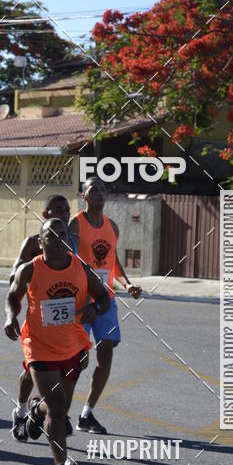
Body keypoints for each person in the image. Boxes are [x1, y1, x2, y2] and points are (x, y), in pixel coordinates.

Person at [4, 217, 110, 465]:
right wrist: (9, 318)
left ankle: (35, 412)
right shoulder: (29, 270)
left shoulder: (80, 268)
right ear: (40, 243)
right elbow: (12, 297)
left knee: (59, 408)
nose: (58, 238)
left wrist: (95, 310)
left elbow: (104, 296)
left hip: (72, 347)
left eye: (62, 233)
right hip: (38, 346)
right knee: (58, 404)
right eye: (50, 235)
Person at [69, 177, 142, 434]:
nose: (99, 193)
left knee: (107, 350)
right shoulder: (75, 225)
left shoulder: (112, 227)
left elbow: (113, 263)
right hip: (80, 300)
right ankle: (55, 407)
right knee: (74, 359)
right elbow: (69, 261)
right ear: (83, 196)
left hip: (105, 300)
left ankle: (86, 413)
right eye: (93, 190)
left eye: (102, 189)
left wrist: (126, 284)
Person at [9, 195, 77, 442]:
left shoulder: (72, 242)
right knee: (31, 370)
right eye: (56, 209)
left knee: (65, 369)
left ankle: (51, 408)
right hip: (38, 320)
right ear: (45, 213)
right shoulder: (34, 243)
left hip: (69, 321)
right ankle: (22, 409)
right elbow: (15, 275)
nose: (62, 212)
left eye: (66, 209)